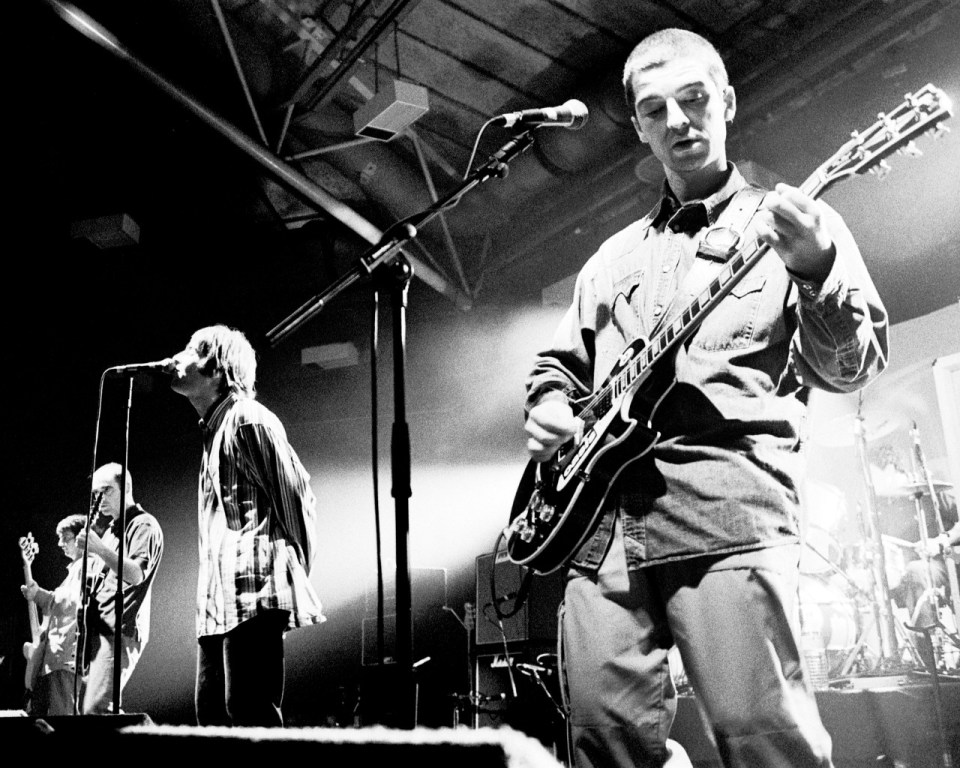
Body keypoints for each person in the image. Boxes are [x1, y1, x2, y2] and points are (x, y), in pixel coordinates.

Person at [522, 28, 888, 767]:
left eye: (693, 100)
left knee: (764, 740)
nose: (678, 121)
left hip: (728, 513)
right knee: (602, 740)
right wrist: (547, 404)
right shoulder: (610, 259)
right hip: (603, 536)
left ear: (724, 101)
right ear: (639, 126)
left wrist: (816, 270)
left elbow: (852, 367)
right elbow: (556, 367)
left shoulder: (793, 223)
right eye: (655, 110)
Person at [169, 324, 324, 727]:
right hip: (217, 601)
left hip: (253, 592)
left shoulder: (247, 420)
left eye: (190, 349)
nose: (177, 357)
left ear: (217, 368)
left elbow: (295, 496)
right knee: (212, 719)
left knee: (252, 716)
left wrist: (295, 572)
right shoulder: (213, 431)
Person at [77, 462, 164, 715]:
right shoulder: (112, 529)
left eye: (106, 491)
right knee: (91, 710)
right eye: (95, 494)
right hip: (100, 628)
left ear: (125, 488)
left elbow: (136, 574)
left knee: (97, 710)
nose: (99, 500)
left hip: (119, 629)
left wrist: (99, 550)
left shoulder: (143, 524)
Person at [20, 514, 90, 716]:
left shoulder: (87, 567)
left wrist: (41, 596)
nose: (60, 543)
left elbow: (72, 606)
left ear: (82, 538)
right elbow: (57, 603)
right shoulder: (75, 571)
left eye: (65, 537)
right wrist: (38, 593)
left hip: (66, 658)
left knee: (62, 719)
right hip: (56, 659)